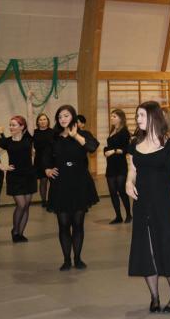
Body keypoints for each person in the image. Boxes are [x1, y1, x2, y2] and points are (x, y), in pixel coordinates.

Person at [126, 101, 170, 313]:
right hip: (142, 203)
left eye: (142, 115)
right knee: (146, 250)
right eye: (137, 115)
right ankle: (154, 297)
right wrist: (128, 182)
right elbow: (132, 170)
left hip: (164, 204)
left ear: (153, 117)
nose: (138, 119)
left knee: (168, 247)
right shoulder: (135, 143)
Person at [44, 105, 99, 270]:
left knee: (78, 223)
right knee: (63, 224)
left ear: (73, 117)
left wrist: (76, 136)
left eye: (66, 115)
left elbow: (92, 148)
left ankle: (78, 258)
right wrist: (47, 169)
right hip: (60, 184)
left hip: (80, 183)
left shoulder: (83, 134)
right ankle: (67, 259)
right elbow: (44, 158)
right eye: (60, 116)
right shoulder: (53, 137)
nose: (63, 119)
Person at [0, 96, 36, 242]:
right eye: (10, 125)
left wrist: (28, 102)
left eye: (14, 125)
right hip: (15, 176)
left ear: (22, 127)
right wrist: (3, 167)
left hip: (29, 175)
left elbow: (30, 117)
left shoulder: (28, 137)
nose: (11, 127)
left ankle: (20, 234)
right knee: (21, 204)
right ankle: (14, 231)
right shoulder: (6, 141)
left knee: (26, 205)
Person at [104, 109, 131, 224]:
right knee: (112, 192)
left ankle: (129, 215)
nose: (112, 118)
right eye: (111, 116)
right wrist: (105, 151)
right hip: (110, 165)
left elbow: (127, 149)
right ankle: (118, 216)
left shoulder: (124, 132)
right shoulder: (112, 130)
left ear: (121, 118)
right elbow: (109, 145)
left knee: (122, 190)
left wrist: (114, 151)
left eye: (114, 116)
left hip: (120, 165)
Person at [33, 113, 54, 208]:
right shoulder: (34, 132)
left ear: (47, 121)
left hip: (51, 160)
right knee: (43, 181)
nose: (42, 121)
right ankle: (44, 201)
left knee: (54, 181)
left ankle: (53, 200)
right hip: (39, 160)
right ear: (37, 122)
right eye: (40, 120)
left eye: (44, 119)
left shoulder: (53, 132)